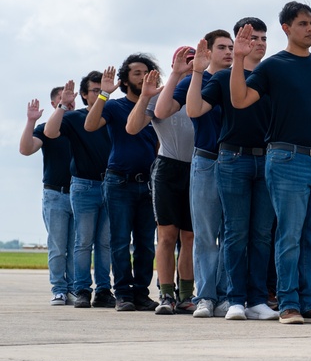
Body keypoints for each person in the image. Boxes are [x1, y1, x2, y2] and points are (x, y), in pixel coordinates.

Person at [229, 2, 311, 325]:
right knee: (289, 234)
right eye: (303, 23)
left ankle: (309, 302)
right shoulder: (273, 66)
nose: (310, 29)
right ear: (286, 28)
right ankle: (289, 303)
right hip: (287, 158)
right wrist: (238, 58)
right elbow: (239, 100)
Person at [189, 17, 278, 321]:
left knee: (262, 234)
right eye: (253, 37)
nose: (260, 43)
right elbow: (194, 110)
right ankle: (234, 299)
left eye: (264, 38)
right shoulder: (225, 77)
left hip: (267, 159)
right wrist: (198, 72)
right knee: (235, 232)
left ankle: (257, 299)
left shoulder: (273, 74)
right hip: (232, 159)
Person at [154, 29, 233, 317]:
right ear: (208, 51)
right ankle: (204, 296)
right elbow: (162, 111)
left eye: (230, 47)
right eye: (221, 47)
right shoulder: (194, 81)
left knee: (232, 234)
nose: (227, 51)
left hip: (236, 161)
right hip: (205, 160)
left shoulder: (241, 79)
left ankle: (226, 295)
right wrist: (178, 75)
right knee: (202, 234)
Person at [84, 56, 159, 312]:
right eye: (137, 73)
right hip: (119, 182)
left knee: (146, 243)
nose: (143, 76)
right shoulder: (115, 107)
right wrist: (103, 94)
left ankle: (141, 293)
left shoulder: (157, 107)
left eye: (147, 72)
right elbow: (90, 124)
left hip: (149, 183)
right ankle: (123, 294)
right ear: (125, 80)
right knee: (119, 241)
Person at [126, 48, 197, 315]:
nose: (190, 65)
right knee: (167, 236)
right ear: (174, 63)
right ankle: (166, 294)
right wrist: (145, 96)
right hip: (168, 167)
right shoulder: (163, 94)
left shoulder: (204, 89)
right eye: (185, 61)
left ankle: (187, 294)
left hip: (196, 167)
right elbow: (132, 128)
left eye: (194, 61)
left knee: (189, 236)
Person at [44, 73, 114, 308]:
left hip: (112, 185)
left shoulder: (112, 114)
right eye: (94, 90)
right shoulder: (74, 117)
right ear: (84, 95)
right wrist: (63, 105)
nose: (98, 93)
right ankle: (82, 289)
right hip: (84, 185)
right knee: (83, 241)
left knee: (105, 243)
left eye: (101, 89)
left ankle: (104, 290)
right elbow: (50, 133)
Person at [20, 87, 75, 305]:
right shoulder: (46, 129)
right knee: (58, 247)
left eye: (72, 99)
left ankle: (74, 288)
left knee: (77, 248)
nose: (69, 102)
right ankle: (59, 289)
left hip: (82, 194)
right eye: (63, 99)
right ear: (54, 104)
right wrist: (31, 122)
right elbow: (26, 149)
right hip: (56, 194)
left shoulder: (82, 126)